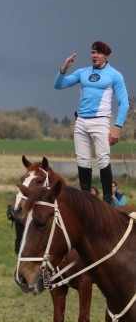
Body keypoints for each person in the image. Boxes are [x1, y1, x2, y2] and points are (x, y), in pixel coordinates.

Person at [55, 41, 129, 204]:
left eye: (98, 53)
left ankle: (107, 197)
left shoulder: (114, 75)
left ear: (106, 55)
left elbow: (124, 103)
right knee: (82, 160)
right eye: (92, 52)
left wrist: (117, 127)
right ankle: (85, 197)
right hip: (81, 121)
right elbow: (58, 85)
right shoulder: (83, 72)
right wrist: (64, 68)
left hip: (100, 122)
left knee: (103, 159)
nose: (94, 55)